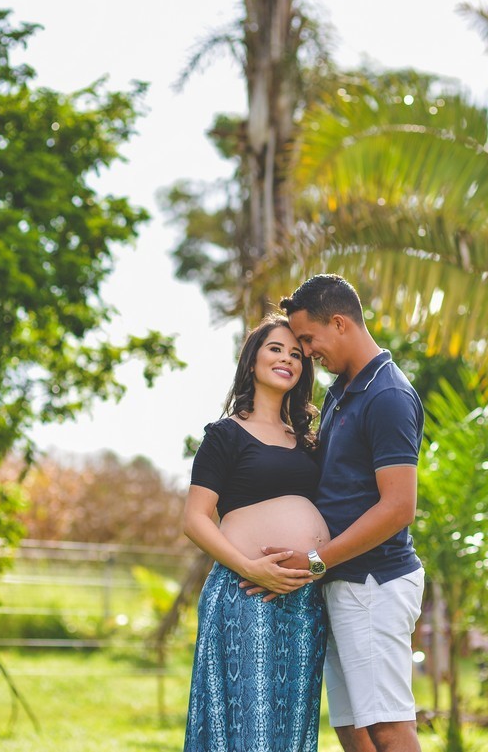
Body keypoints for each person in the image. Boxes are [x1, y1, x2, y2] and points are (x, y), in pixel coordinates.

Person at [254, 274, 426, 752]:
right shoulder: (343, 391)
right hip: (342, 582)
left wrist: (316, 561)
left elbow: (397, 508)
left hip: (374, 584)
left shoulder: (387, 396)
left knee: (388, 727)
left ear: (339, 322)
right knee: (353, 730)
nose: (305, 351)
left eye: (308, 339)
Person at [181, 315, 331, 752]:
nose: (287, 359)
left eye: (297, 354)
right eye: (276, 349)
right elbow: (196, 518)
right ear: (251, 361)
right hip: (245, 593)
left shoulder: (307, 440)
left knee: (290, 727)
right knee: (247, 726)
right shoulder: (225, 435)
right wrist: (251, 568)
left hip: (303, 602)